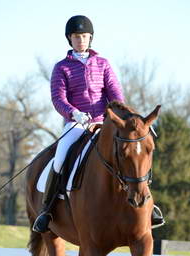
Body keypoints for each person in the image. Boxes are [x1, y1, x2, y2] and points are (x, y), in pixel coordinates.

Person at [33, 15, 164, 233]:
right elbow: (58, 98)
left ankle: (149, 205)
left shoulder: (102, 64)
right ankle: (47, 210)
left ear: (90, 38)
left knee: (135, 153)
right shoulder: (61, 67)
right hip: (77, 124)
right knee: (60, 158)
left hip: (106, 122)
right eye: (76, 37)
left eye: (84, 36)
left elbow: (115, 95)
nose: (80, 40)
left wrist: (111, 117)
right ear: (70, 39)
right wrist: (74, 113)